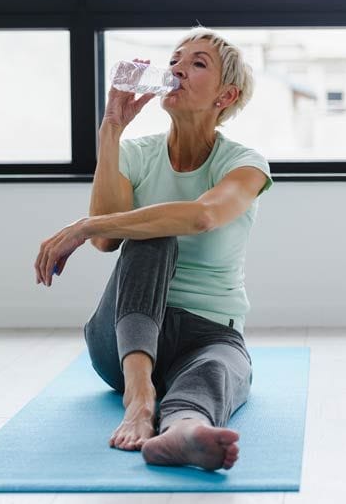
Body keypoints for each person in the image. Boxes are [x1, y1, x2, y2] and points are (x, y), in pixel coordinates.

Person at [33, 26, 273, 471]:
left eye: (197, 63)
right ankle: (140, 398)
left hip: (209, 333)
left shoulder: (244, 165)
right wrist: (111, 129)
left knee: (221, 369)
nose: (178, 67)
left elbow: (201, 217)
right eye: (177, 59)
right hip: (123, 342)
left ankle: (183, 431)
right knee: (153, 232)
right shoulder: (137, 153)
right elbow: (107, 242)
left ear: (225, 96)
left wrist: (82, 225)